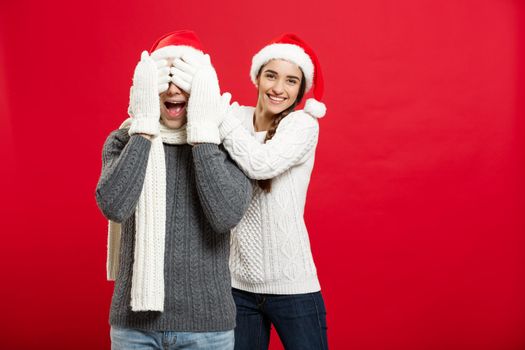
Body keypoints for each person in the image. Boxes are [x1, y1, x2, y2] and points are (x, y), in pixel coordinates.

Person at [95, 30, 252, 350]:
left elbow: (225, 216)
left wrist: (204, 132)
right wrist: (143, 127)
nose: (172, 87)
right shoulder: (123, 140)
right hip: (134, 329)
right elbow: (114, 204)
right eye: (164, 76)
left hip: (207, 328)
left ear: (203, 88)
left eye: (183, 77)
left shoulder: (230, 144)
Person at [173, 33, 328, 349]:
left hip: (293, 285)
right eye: (271, 75)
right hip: (236, 286)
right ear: (257, 76)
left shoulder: (302, 126)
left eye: (290, 81)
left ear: (300, 90)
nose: (278, 88)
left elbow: (261, 164)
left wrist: (219, 115)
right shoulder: (234, 117)